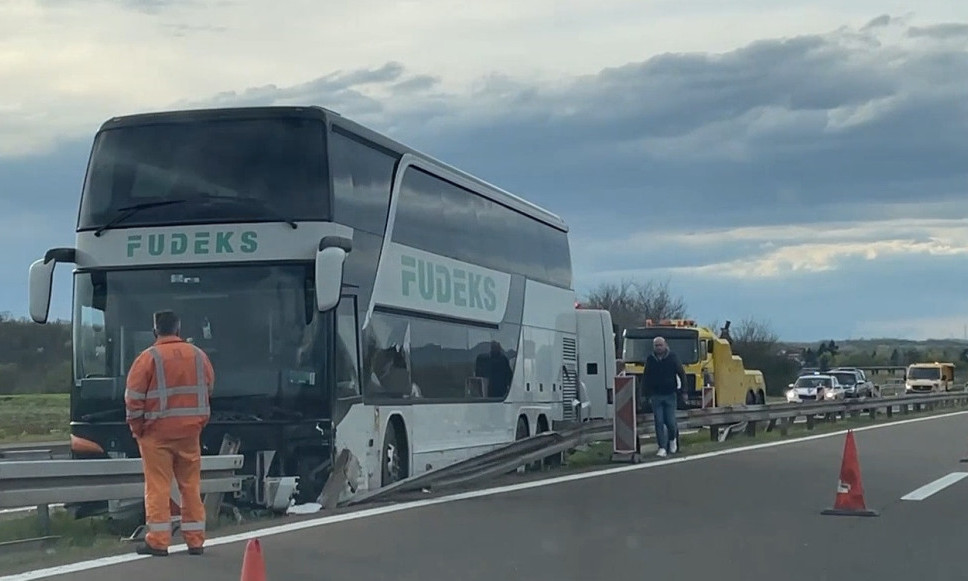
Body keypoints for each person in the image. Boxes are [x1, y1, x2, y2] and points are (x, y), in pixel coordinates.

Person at [125, 310, 215, 557]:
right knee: (191, 486)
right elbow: (208, 388)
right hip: (189, 433)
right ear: (178, 329)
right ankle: (195, 541)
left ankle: (158, 541)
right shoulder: (198, 356)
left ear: (155, 331)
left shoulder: (147, 358)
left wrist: (137, 429)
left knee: (158, 487)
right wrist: (198, 421)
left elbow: (133, 399)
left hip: (156, 435)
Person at [642, 336, 686, 457]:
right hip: (656, 395)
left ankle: (672, 440)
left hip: (670, 394)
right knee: (659, 422)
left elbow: (681, 373)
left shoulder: (672, 357)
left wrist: (683, 391)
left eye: (660, 345)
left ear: (665, 345)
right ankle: (662, 447)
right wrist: (645, 395)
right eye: (656, 345)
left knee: (671, 422)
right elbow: (646, 377)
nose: (658, 347)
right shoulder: (651, 359)